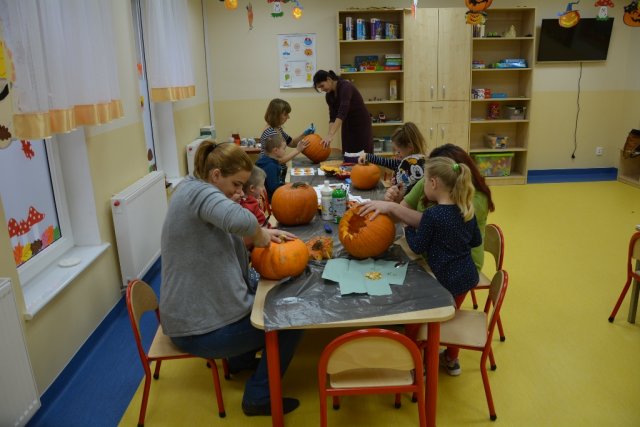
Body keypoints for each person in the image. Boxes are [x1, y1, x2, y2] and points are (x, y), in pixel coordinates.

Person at [159, 140, 303, 416]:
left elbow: (230, 236)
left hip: (191, 317)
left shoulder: (190, 190)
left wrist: (260, 234)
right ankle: (258, 397)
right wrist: (259, 234)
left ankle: (239, 359)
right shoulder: (199, 194)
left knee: (260, 297)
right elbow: (241, 220)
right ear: (215, 175)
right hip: (197, 330)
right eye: (236, 185)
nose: (240, 192)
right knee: (291, 323)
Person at [359, 156, 482, 377]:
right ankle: (452, 360)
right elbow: (475, 242)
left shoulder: (433, 215)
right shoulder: (466, 210)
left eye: (424, 181)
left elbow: (416, 247)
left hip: (442, 279)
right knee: (453, 314)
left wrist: (407, 226)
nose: (423, 185)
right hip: (466, 277)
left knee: (416, 319)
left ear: (433, 183)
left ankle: (417, 363)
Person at [403, 144, 495, 270]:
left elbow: (433, 226)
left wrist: (397, 213)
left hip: (457, 267)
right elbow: (405, 207)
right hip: (433, 256)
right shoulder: (430, 180)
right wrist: (393, 202)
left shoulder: (474, 200)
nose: (425, 181)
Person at [357, 122, 427, 202]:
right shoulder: (402, 161)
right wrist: (367, 156)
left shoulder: (410, 165)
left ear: (410, 147)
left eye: (398, 152)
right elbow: (385, 161)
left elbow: (404, 198)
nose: (396, 155)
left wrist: (394, 187)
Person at [313, 69, 373, 154]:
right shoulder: (329, 96)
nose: (322, 89)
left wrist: (331, 135)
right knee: (348, 152)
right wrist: (328, 136)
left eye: (322, 86)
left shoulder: (346, 86)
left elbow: (342, 112)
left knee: (363, 153)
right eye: (320, 88)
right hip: (347, 123)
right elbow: (333, 117)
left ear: (329, 79)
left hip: (361, 123)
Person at [256, 134, 308, 201]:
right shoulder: (271, 166)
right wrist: (287, 187)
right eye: (284, 148)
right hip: (272, 199)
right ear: (275, 150)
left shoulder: (267, 160)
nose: (285, 151)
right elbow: (274, 188)